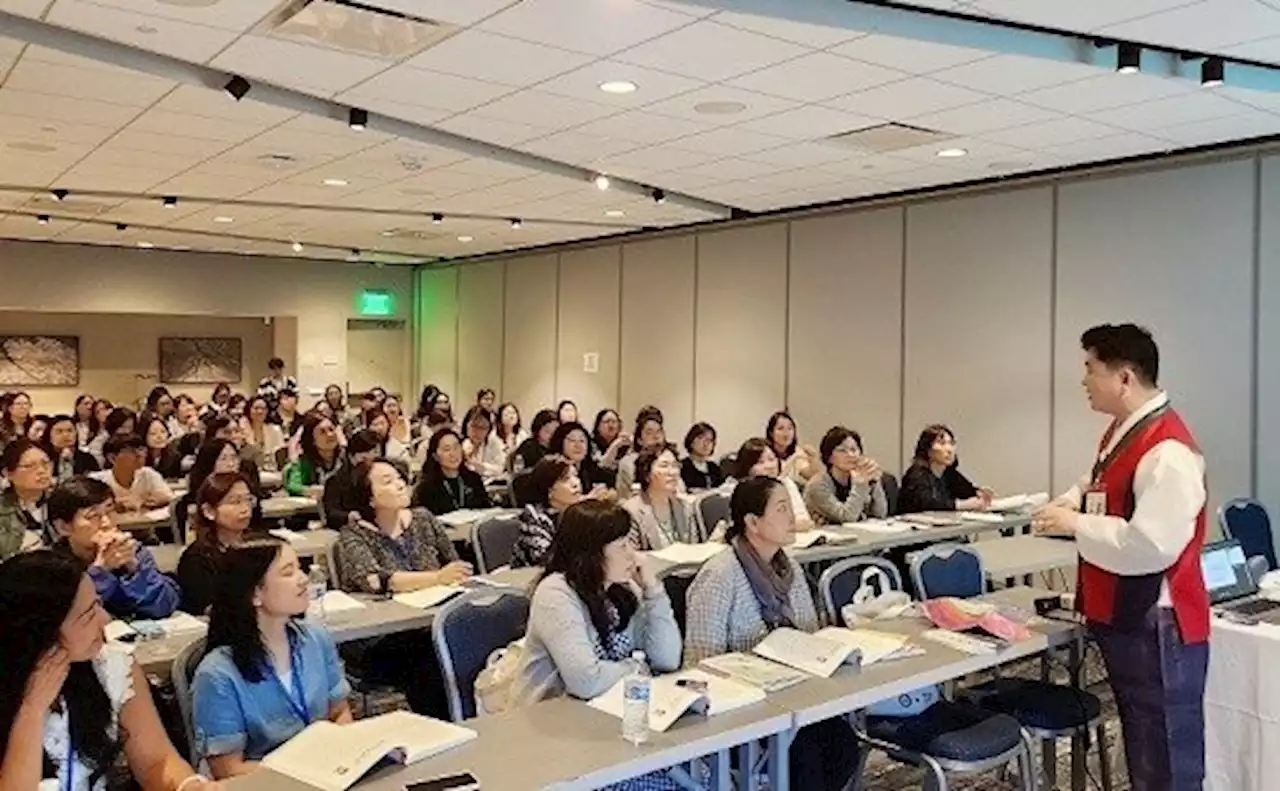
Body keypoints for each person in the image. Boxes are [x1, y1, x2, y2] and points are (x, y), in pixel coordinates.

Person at [1031, 324, 1209, 791]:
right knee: (1144, 744)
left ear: (1124, 377)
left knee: (1166, 754)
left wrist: (1075, 525)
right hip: (1131, 616)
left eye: (1091, 368)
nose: (1084, 380)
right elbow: (1099, 485)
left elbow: (1150, 545)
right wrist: (1070, 502)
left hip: (1158, 622)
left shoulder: (1167, 449)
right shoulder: (1124, 433)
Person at [683, 476, 858, 791]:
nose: (792, 517)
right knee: (805, 756)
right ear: (752, 521)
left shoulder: (787, 566)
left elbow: (808, 632)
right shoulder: (720, 576)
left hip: (794, 694)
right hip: (742, 710)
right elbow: (700, 664)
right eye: (781, 509)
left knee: (843, 745)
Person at [0, 551, 222, 791]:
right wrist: (31, 710)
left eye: (98, 604)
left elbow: (156, 762)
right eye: (87, 615)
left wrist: (187, 785)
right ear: (42, 632)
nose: (104, 620)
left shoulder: (109, 667)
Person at [510, 500, 688, 791]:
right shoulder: (556, 593)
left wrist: (654, 591)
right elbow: (585, 680)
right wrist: (637, 667)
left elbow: (667, 659)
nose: (633, 555)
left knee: (697, 772)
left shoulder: (622, 588)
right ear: (591, 552)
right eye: (621, 546)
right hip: (555, 733)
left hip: (612, 722)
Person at [192, 537, 352, 778]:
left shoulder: (315, 639)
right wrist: (307, 771)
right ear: (255, 593)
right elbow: (228, 769)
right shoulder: (217, 674)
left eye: (300, 568)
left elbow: (339, 712)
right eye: (288, 573)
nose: (303, 579)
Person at [334, 459, 470, 716]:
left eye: (399, 477)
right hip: (381, 637)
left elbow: (454, 564)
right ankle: (445, 722)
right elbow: (377, 581)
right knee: (430, 656)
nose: (399, 484)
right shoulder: (353, 535)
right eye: (387, 481)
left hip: (430, 619)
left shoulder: (423, 519)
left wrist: (449, 576)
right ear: (370, 498)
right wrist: (437, 577)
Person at [48, 476, 179, 619]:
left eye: (110, 511)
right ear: (63, 527)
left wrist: (134, 570)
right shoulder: (50, 566)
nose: (106, 522)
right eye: (93, 516)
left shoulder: (133, 551)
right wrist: (100, 571)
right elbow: (65, 619)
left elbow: (164, 606)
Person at [176, 472, 260, 615]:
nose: (245, 508)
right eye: (235, 502)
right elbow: (204, 608)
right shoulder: (197, 558)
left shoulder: (258, 545)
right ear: (209, 511)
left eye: (248, 500)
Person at [898, 425, 994, 514]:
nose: (949, 449)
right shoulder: (916, 474)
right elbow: (927, 503)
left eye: (951, 443)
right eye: (942, 443)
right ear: (927, 449)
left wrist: (978, 493)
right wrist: (960, 505)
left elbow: (965, 490)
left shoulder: (949, 473)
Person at [804, 426, 888, 525]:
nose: (850, 455)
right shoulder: (817, 485)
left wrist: (874, 482)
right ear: (829, 457)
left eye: (854, 450)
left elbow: (880, 513)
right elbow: (846, 517)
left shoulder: (858, 478)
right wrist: (860, 485)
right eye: (842, 450)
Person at [622, 445, 701, 550]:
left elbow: (694, 547)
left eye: (675, 465)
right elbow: (631, 555)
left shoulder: (685, 506)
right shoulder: (631, 511)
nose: (672, 472)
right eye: (664, 466)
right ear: (646, 473)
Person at [512, 456, 584, 568]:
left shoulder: (581, 513)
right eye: (565, 479)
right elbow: (545, 561)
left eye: (576, 476)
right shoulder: (534, 519)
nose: (575, 483)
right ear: (549, 489)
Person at [729, 438, 813, 530]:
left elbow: (804, 521)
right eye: (760, 462)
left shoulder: (786, 483)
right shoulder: (737, 490)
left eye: (772, 459)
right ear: (747, 467)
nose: (769, 466)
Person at [412, 428, 491, 516]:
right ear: (435, 456)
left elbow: (486, 509)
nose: (453, 454)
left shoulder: (473, 479)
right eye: (447, 449)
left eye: (456, 447)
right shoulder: (426, 487)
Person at [90, 435, 174, 513]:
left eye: (141, 449)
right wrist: (117, 505)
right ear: (112, 458)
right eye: (131, 451)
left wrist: (141, 502)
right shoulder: (97, 481)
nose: (140, 455)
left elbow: (168, 497)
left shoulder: (148, 474)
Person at [0, 438, 53, 560]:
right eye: (30, 466)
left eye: (45, 463)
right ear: (8, 473)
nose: (41, 471)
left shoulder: (62, 501)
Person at [321, 430, 384, 529]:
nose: (369, 465)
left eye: (375, 457)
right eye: (364, 459)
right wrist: (349, 516)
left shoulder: (384, 478)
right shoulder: (335, 481)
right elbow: (332, 514)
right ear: (351, 456)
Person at [284, 414, 343, 498]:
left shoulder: (345, 457)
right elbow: (293, 486)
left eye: (331, 429)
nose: (330, 435)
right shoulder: (303, 462)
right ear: (312, 440)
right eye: (322, 432)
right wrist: (311, 490)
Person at [550, 421, 615, 492]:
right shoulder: (552, 468)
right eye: (572, 440)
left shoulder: (590, 468)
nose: (578, 445)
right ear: (560, 442)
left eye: (582, 441)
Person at [766, 411, 820, 487]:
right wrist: (793, 458)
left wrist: (813, 457)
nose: (786, 433)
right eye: (780, 428)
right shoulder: (766, 452)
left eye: (790, 428)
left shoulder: (796, 451)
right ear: (771, 433)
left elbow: (812, 477)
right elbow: (777, 481)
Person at [43, 414, 100, 482]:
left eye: (70, 430)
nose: (65, 435)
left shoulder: (88, 458)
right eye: (59, 431)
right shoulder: (43, 458)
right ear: (50, 437)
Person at [460, 405, 505, 480]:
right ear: (466, 425)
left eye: (483, 427)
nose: (478, 431)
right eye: (474, 426)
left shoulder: (494, 442)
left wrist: (481, 466)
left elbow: (500, 468)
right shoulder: (457, 442)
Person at [241, 395, 285, 472]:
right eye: (256, 408)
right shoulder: (242, 428)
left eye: (263, 409)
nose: (260, 411)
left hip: (272, 470)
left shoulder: (275, 430)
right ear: (249, 410)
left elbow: (280, 454)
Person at [511, 409, 558, 473]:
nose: (551, 435)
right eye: (547, 430)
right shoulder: (528, 446)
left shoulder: (558, 447)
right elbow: (518, 472)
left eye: (555, 431)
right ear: (538, 429)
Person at [681, 422, 724, 491]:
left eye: (710, 440)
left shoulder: (714, 468)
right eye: (701, 438)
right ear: (691, 441)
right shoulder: (682, 467)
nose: (706, 444)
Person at [139, 413, 183, 479]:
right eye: (153, 433)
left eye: (163, 432)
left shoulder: (174, 456)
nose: (159, 437)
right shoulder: (138, 457)